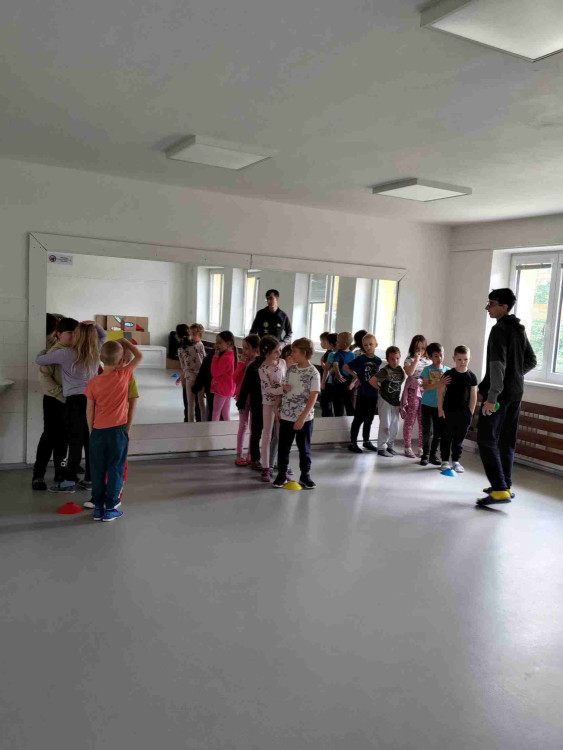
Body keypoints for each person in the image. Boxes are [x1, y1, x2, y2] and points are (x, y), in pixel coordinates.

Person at [476, 288, 537, 506]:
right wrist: (514, 376)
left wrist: (492, 396)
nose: (487, 307)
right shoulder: (518, 328)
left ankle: (500, 489)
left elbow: (497, 364)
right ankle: (505, 485)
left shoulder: (499, 329)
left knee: (485, 438)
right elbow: (531, 360)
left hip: (500, 395)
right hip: (515, 392)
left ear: (503, 307)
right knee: (506, 440)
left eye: (491, 303)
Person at [35, 321, 106, 493]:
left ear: (77, 335)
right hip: (92, 401)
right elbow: (103, 335)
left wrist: (43, 351)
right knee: (90, 441)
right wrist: (96, 324)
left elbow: (39, 360)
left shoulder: (65, 353)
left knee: (74, 441)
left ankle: (69, 480)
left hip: (74, 401)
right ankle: (89, 479)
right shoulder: (96, 351)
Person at [85, 339, 143, 521]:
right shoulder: (124, 375)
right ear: (121, 361)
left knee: (97, 470)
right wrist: (125, 341)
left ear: (101, 359)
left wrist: (91, 430)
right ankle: (110, 508)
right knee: (116, 469)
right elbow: (139, 356)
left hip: (97, 432)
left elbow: (89, 410)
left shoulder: (93, 382)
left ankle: (98, 508)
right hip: (117, 432)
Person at [32, 315, 76, 490]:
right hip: (53, 399)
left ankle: (60, 471)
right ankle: (38, 475)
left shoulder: (76, 350)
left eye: (76, 333)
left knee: (64, 437)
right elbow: (44, 377)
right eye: (70, 332)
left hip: (69, 399)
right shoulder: (54, 352)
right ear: (59, 334)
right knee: (49, 437)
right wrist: (60, 395)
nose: (73, 336)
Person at [273, 337, 320, 489]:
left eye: (294, 351)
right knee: (283, 448)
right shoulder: (291, 369)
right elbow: (284, 389)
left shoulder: (313, 373)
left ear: (304, 353)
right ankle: (281, 475)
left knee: (304, 449)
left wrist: (302, 418)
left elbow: (313, 397)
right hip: (286, 416)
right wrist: (276, 407)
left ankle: (305, 476)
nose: (291, 354)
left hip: (304, 419)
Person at [437, 346, 478, 473]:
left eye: (465, 359)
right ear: (454, 359)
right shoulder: (448, 374)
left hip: (464, 413)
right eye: (459, 359)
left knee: (458, 439)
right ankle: (444, 460)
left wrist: (470, 413)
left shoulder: (472, 377)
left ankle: (455, 461)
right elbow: (441, 393)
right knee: (446, 437)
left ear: (470, 359)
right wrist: (440, 409)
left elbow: (473, 397)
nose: (462, 362)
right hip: (448, 412)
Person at [345, 333, 382, 453]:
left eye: (371, 344)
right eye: (365, 345)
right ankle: (353, 443)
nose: (368, 347)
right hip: (362, 393)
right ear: (363, 346)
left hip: (373, 393)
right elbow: (346, 367)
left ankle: (366, 441)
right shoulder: (360, 359)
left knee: (369, 419)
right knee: (358, 419)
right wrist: (356, 376)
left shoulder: (378, 360)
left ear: (376, 345)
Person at [259, 335, 287, 482]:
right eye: (276, 351)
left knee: (281, 435)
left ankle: (280, 465)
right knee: (267, 435)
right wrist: (283, 389)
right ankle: (265, 467)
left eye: (279, 350)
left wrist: (283, 391)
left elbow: (285, 379)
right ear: (267, 351)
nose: (279, 353)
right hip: (268, 404)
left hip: (282, 403)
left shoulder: (282, 363)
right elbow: (269, 389)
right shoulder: (263, 369)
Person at [419, 343, 451, 467]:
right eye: (436, 356)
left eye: (441, 355)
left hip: (440, 407)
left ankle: (433, 455)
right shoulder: (427, 369)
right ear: (430, 357)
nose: (439, 358)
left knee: (438, 432)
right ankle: (425, 455)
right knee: (427, 431)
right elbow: (426, 387)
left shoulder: (448, 370)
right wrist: (440, 383)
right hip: (427, 405)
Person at [370, 346, 405, 457]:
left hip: (395, 401)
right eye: (392, 359)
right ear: (388, 359)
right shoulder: (385, 371)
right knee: (385, 424)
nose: (395, 361)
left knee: (395, 426)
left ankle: (390, 446)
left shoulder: (400, 370)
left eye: (397, 358)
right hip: (385, 400)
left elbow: (400, 382)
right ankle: (381, 447)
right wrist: (380, 389)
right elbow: (372, 381)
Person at [401, 335, 431, 458]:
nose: (420, 351)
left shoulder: (429, 360)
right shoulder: (409, 359)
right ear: (412, 348)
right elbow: (410, 372)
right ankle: (407, 447)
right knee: (410, 419)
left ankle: (421, 447)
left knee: (422, 421)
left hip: (425, 392)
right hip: (413, 391)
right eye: (417, 348)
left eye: (422, 348)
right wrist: (416, 360)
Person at [234, 334, 260, 466]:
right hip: (243, 398)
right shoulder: (244, 362)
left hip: (255, 399)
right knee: (243, 426)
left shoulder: (260, 363)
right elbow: (235, 379)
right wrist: (241, 364)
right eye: (243, 347)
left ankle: (250, 454)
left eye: (246, 348)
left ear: (256, 349)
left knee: (253, 427)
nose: (243, 351)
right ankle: (239, 454)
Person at [177, 323, 207, 422]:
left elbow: (184, 366)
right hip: (191, 377)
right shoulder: (185, 348)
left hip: (198, 377)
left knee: (197, 403)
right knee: (193, 404)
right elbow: (184, 366)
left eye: (193, 334)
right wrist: (183, 377)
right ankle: (194, 423)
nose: (191, 337)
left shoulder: (197, 346)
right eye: (190, 334)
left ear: (200, 335)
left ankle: (200, 423)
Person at [210, 330, 237, 421]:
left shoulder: (226, 357)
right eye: (216, 342)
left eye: (219, 342)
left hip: (222, 390)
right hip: (227, 389)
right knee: (225, 413)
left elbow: (214, 372)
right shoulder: (231, 355)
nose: (217, 345)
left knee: (216, 412)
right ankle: (227, 429)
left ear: (228, 343)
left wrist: (215, 357)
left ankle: (214, 429)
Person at [330, 331, 355, 416]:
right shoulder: (352, 355)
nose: (336, 343)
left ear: (343, 344)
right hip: (346, 383)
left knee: (342, 406)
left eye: (337, 341)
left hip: (341, 382)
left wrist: (338, 374)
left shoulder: (338, 354)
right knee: (345, 406)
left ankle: (345, 421)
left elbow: (335, 364)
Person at [169, 324, 190, 420]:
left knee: (187, 403)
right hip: (197, 378)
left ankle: (187, 421)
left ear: (177, 335)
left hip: (188, 378)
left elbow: (185, 367)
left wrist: (181, 377)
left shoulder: (181, 349)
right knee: (197, 404)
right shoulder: (197, 345)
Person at [320, 332, 337, 417]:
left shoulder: (330, 354)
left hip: (329, 381)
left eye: (322, 341)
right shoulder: (336, 353)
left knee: (325, 402)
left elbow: (326, 369)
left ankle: (327, 418)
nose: (321, 344)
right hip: (333, 381)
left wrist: (323, 383)